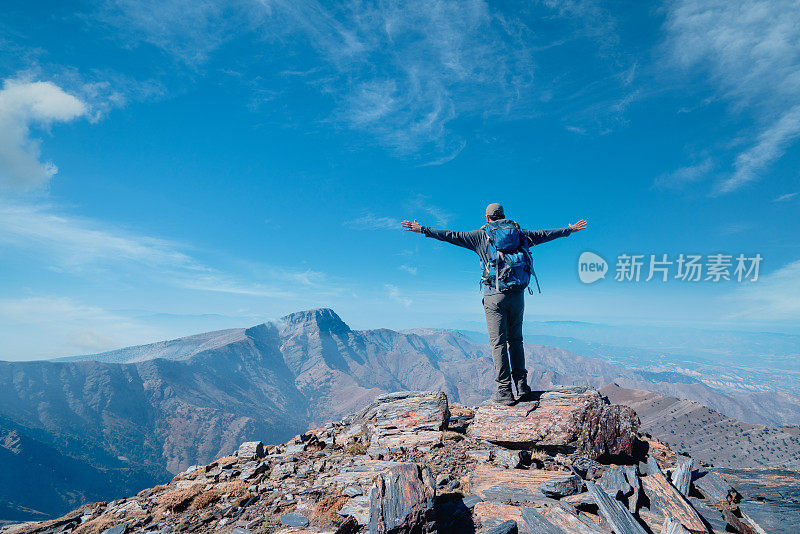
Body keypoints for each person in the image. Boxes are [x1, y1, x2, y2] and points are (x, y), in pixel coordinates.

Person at [402, 203, 587, 405]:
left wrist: (423, 229)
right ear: (504, 216)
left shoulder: (480, 236)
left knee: (498, 343)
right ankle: (522, 387)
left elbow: (451, 235)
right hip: (517, 295)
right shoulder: (520, 235)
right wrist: (569, 229)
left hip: (494, 296)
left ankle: (505, 392)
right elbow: (545, 234)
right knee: (516, 341)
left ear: (487, 218)